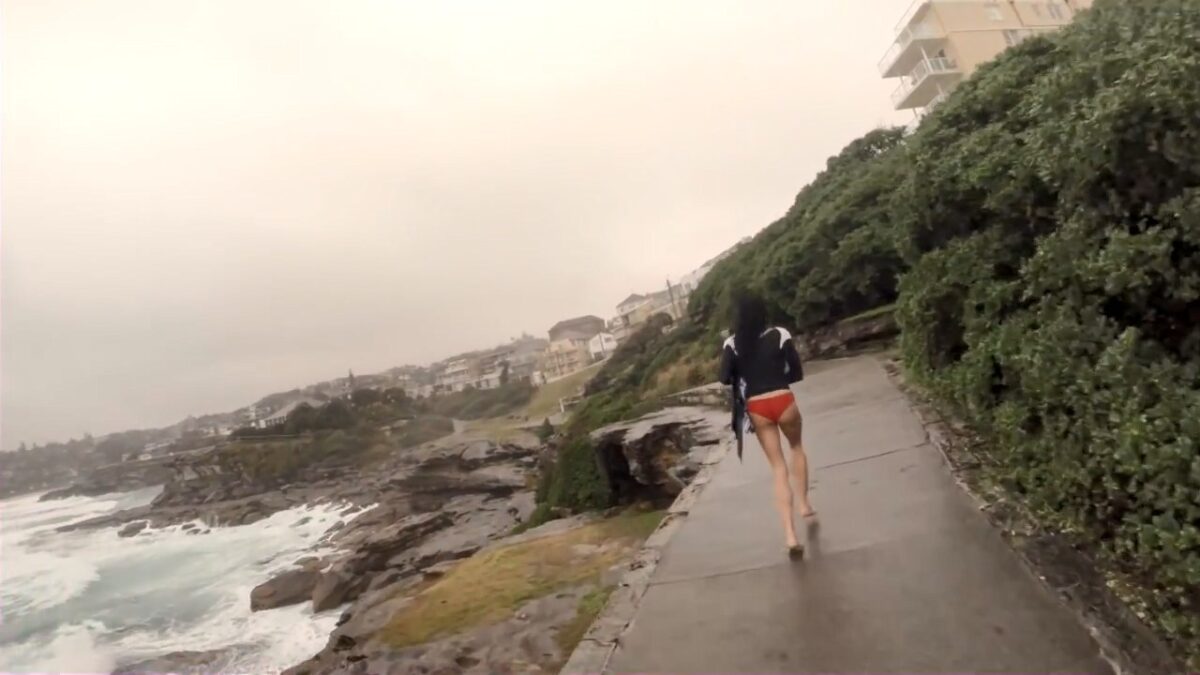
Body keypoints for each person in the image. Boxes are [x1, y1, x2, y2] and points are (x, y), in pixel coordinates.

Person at [718, 291, 815, 558]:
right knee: (796, 448)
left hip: (757, 407)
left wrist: (744, 373)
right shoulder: (780, 334)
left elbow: (724, 377)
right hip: (783, 399)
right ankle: (804, 505)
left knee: (777, 467)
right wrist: (777, 377)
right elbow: (796, 372)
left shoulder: (732, 343)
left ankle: (790, 536)